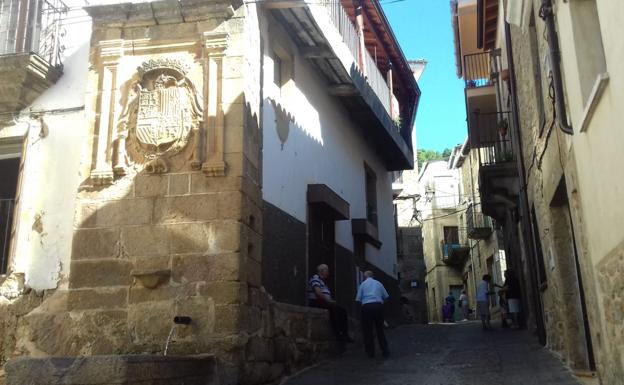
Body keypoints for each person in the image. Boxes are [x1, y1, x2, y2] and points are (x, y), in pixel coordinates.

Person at [308, 264, 353, 342]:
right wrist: (329, 301)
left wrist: (330, 301)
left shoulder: (323, 282)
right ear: (321, 271)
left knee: (342, 311)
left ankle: (345, 334)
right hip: (316, 301)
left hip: (324, 302)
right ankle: (338, 334)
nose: (328, 272)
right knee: (333, 309)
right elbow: (318, 293)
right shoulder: (315, 278)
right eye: (327, 270)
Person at [355, 270, 390, 358]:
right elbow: (386, 296)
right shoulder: (378, 283)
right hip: (378, 306)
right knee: (380, 330)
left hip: (366, 307)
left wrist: (363, 306)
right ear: (372, 276)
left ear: (365, 276)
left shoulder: (362, 285)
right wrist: (380, 304)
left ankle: (370, 352)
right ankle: (385, 350)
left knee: (368, 330)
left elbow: (358, 299)